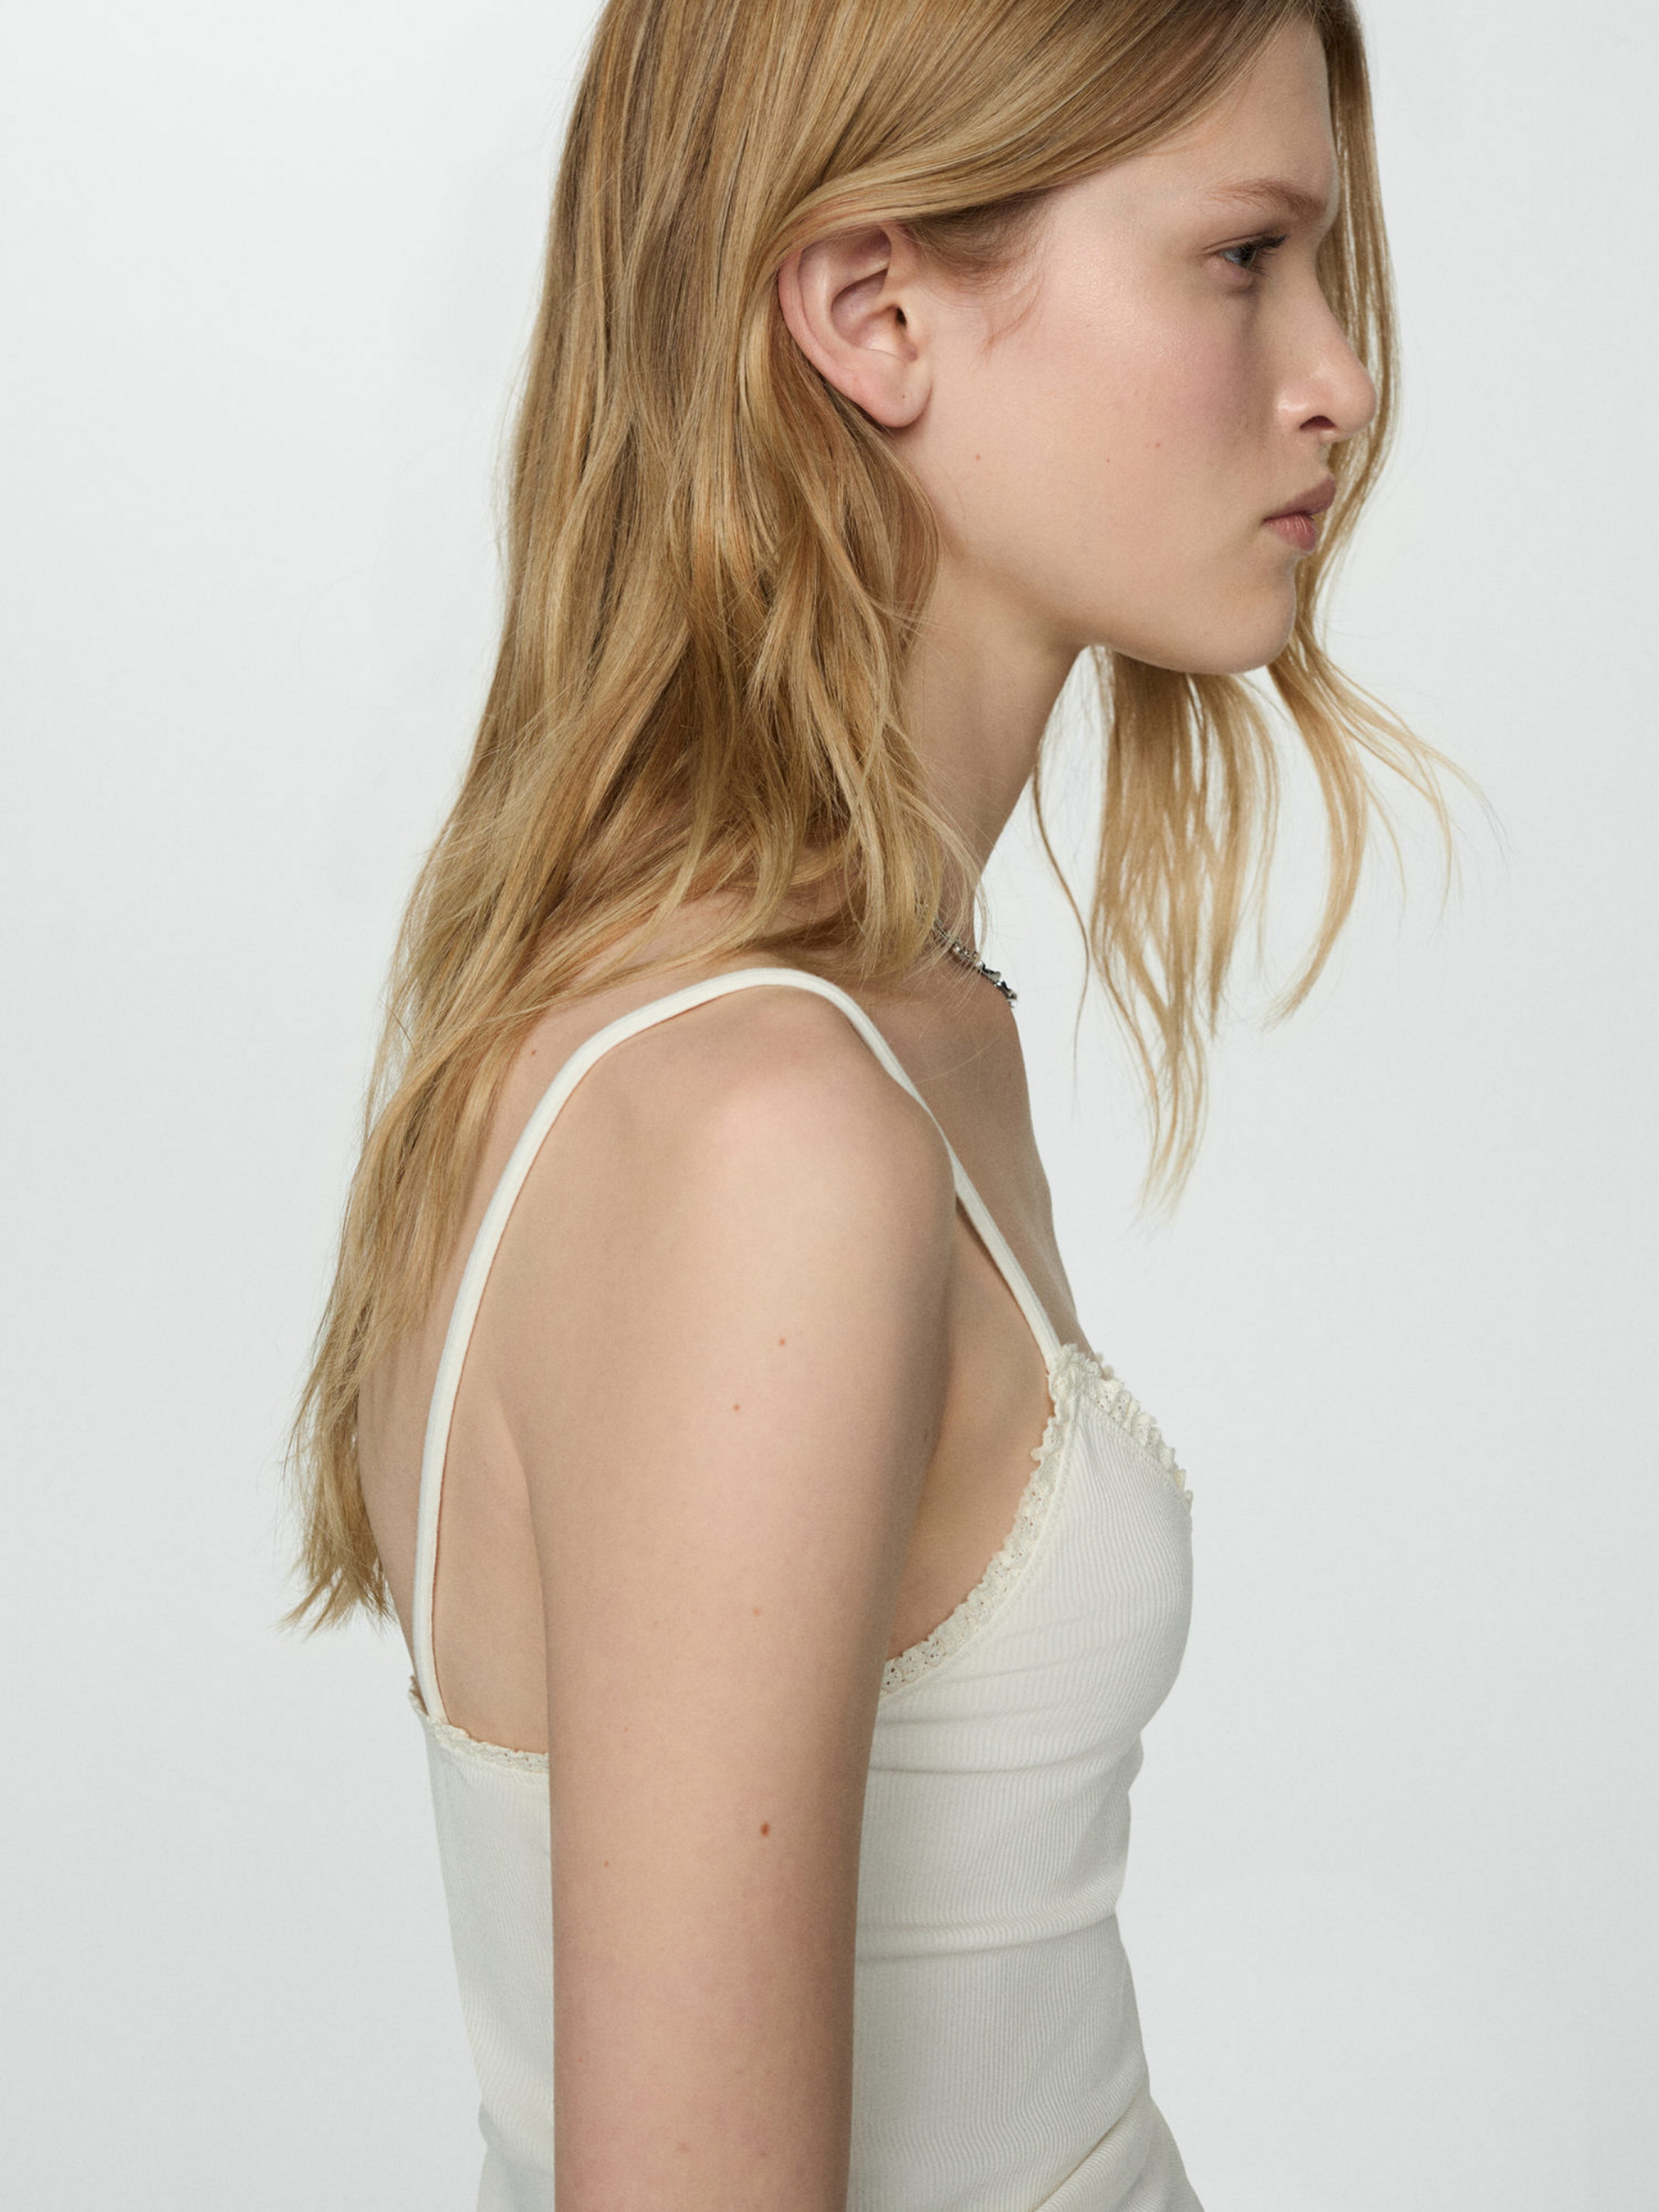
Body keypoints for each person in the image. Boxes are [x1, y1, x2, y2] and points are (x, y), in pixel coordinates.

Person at [287, 0, 1466, 2203]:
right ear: (873, 311)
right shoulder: (766, 1128)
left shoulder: (865, 1027)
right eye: (1241, 259)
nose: (1338, 374)